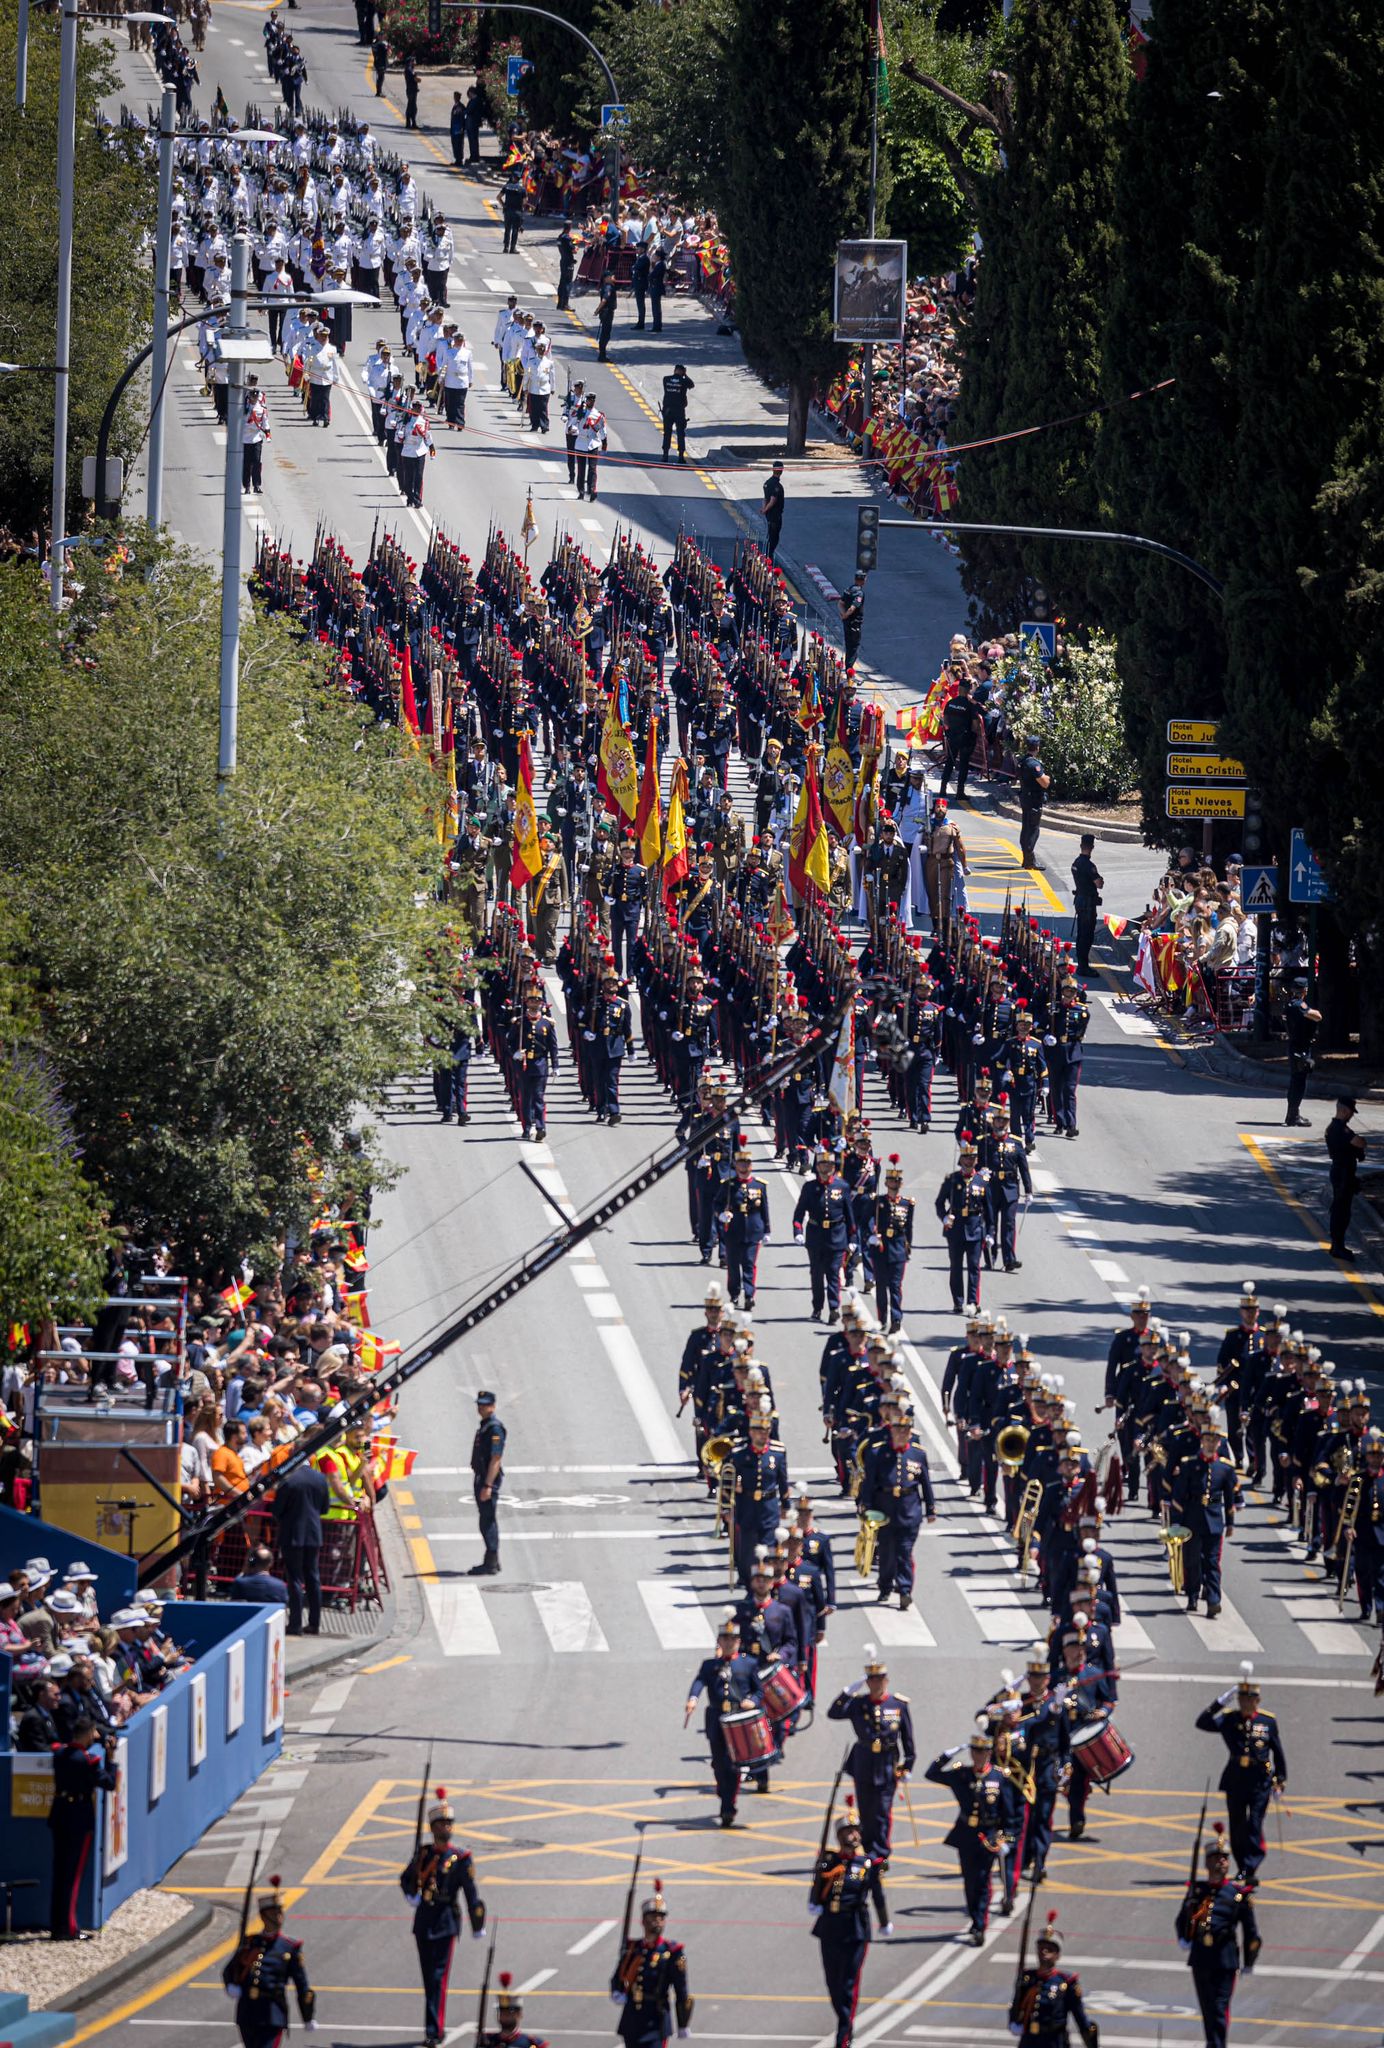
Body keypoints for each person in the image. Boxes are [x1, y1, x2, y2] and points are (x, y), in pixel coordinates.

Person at [400, 1786, 485, 2048]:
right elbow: (406, 1878)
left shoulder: (461, 1858)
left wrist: (476, 1922)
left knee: (438, 1978)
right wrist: (411, 1894)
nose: (447, 1827)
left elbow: (470, 1892)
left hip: (446, 1921)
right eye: (442, 1823)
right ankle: (433, 2027)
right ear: (433, 1827)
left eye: (449, 1823)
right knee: (428, 1978)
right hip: (424, 1920)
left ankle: (434, 2031)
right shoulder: (424, 1854)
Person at [809, 1803, 891, 2048]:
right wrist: (813, 1901)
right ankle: (845, 2022)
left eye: (855, 1831)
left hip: (855, 1927)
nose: (852, 1835)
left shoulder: (868, 1865)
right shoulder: (829, 1860)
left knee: (849, 1983)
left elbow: (878, 1896)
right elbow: (817, 1881)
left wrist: (885, 1921)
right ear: (839, 1836)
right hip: (830, 1926)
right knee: (833, 1983)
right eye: (847, 1831)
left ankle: (844, 2033)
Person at [1195, 1665, 1286, 1882]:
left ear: (1257, 1701)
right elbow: (1202, 1723)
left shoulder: (1267, 1722)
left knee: (1254, 1824)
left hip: (1259, 1781)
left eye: (1250, 1700)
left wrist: (1280, 1781)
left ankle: (1251, 1866)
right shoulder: (1228, 1719)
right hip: (1236, 1779)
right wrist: (1220, 1702)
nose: (1245, 1704)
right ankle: (1243, 1866)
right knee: (1237, 1826)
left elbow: (1277, 1751)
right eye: (1242, 1700)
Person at [924, 1721, 1013, 1945]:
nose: (978, 1756)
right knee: (970, 1881)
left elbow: (1011, 1815)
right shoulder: (961, 1775)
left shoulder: (999, 1778)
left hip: (989, 1834)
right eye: (975, 1752)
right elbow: (931, 1774)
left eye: (983, 1752)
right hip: (966, 1834)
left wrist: (1006, 1839)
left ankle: (978, 1925)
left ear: (989, 1753)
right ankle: (976, 1917)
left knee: (982, 1881)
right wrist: (947, 1754)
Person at [827, 1645, 916, 1863]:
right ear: (867, 1682)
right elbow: (834, 1712)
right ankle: (868, 1850)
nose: (877, 1683)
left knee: (882, 1811)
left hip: (887, 1763)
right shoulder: (859, 1704)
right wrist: (848, 1691)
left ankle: (881, 1854)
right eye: (872, 1680)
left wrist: (907, 1766)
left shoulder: (898, 1705)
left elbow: (908, 1740)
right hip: (864, 1761)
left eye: (881, 1679)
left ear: (886, 1681)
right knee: (866, 1811)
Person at [1175, 1824, 1260, 2048]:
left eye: (1224, 1858)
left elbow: (1251, 1932)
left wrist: (1249, 1961)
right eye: (1216, 1857)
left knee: (1220, 2010)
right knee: (1207, 2010)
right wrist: (1184, 1936)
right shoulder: (1197, 1891)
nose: (1221, 1861)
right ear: (1206, 1862)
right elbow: (1182, 1919)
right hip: (1201, 1958)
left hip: (1225, 1961)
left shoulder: (1237, 1895)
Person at [685, 1610, 763, 1827]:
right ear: (719, 1641)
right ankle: (724, 1792)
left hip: (739, 1719)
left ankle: (728, 1807)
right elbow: (700, 1681)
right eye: (725, 1640)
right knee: (719, 1764)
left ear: (739, 1642)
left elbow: (759, 1691)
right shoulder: (710, 1665)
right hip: (716, 1718)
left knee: (733, 1765)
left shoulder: (748, 1664)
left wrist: (752, 1701)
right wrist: (693, 1698)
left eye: (733, 1640)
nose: (729, 1643)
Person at [222, 1875, 316, 2046]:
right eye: (275, 1913)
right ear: (264, 1916)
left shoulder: (289, 1947)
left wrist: (307, 2016)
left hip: (273, 2014)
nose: (280, 1916)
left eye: (280, 1912)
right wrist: (231, 1985)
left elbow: (302, 1985)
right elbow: (229, 1969)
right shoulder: (251, 1943)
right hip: (248, 2013)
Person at [48, 1718, 118, 1939]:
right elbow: (109, 1783)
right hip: (78, 1818)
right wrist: (111, 1759)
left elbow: (60, 1748)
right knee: (73, 1876)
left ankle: (56, 1925)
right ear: (88, 1734)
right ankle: (68, 1929)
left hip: (59, 1816)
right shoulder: (89, 1760)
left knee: (60, 1874)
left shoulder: (59, 1754)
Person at [610, 1879, 692, 2046]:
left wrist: (683, 2023)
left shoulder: (672, 1952)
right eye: (653, 1916)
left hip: (656, 2020)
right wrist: (617, 1991)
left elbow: (681, 1990)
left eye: (661, 1917)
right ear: (643, 1920)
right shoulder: (633, 1948)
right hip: (632, 2018)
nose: (657, 1921)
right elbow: (618, 1974)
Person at [1008, 1911, 1099, 2047]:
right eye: (1041, 1948)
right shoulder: (1027, 1978)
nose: (1044, 1952)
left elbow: (1080, 2018)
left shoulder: (1066, 1982)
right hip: (1029, 2041)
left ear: (1057, 1955)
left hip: (1054, 2042)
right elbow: (1017, 2004)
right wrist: (1013, 2020)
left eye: (1049, 1949)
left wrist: (1091, 2041)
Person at [272, 1455, 330, 1635]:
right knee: (313, 1578)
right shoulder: (320, 1478)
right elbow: (325, 1508)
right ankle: (314, 1623)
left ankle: (295, 1623)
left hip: (292, 1534)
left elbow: (277, 1510)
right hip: (313, 1534)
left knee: (295, 1579)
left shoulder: (289, 1480)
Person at [794, 1148, 853, 1324]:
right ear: (817, 1166)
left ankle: (834, 1308)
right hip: (815, 1237)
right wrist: (797, 1231)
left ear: (833, 1166)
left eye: (828, 1164)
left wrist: (853, 1239)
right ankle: (817, 1307)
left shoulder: (842, 1186)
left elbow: (849, 1216)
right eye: (821, 1164)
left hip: (837, 1237)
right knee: (817, 1275)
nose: (825, 1168)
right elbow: (799, 1213)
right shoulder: (810, 1187)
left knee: (833, 1274)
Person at [721, 1141, 770, 1311]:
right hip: (733, 1232)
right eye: (741, 1163)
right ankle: (734, 1294)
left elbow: (764, 1209)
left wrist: (767, 1230)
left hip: (753, 1232)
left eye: (747, 1164)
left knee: (749, 1265)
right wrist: (721, 1214)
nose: (744, 1167)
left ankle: (749, 1295)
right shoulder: (728, 1185)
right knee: (734, 1265)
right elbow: (717, 1204)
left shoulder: (759, 1185)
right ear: (735, 1165)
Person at [470, 1390, 506, 1577]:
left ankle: (491, 1562)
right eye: (479, 1404)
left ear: (493, 1406)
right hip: (482, 1477)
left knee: (487, 1520)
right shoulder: (486, 1425)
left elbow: (495, 1458)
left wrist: (488, 1485)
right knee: (485, 1519)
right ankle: (492, 1560)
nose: (481, 1408)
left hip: (487, 1479)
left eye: (484, 1405)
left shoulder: (494, 1429)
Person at [1326, 1093, 1365, 1257]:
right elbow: (1359, 1142)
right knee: (1341, 1212)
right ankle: (1337, 1246)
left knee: (1342, 1210)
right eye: (1350, 1112)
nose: (1350, 1116)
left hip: (1343, 1172)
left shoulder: (1334, 1127)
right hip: (1342, 1173)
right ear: (1343, 1111)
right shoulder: (1339, 1129)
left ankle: (1337, 1244)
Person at [1070, 833, 1103, 975]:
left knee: (1081, 934)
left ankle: (1081, 963)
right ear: (1092, 848)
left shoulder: (1076, 863)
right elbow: (1099, 884)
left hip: (1080, 901)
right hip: (1088, 904)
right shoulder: (1089, 866)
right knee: (1087, 935)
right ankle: (1083, 966)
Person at [1019, 735, 1051, 869]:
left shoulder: (1023, 761)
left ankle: (1027, 859)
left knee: (1026, 828)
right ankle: (1030, 860)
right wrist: (1048, 778)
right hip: (1034, 800)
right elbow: (1044, 783)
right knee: (1033, 830)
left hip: (1026, 797)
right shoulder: (1033, 764)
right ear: (1037, 747)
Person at [661, 363, 694, 464]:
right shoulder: (684, 381)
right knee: (680, 433)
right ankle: (680, 456)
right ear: (682, 371)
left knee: (667, 433)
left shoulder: (665, 379)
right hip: (679, 411)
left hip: (667, 410)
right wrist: (685, 375)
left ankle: (665, 455)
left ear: (674, 370)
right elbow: (692, 385)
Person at [839, 579, 864, 669]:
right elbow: (852, 608)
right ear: (863, 581)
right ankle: (849, 671)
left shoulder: (848, 590)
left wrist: (843, 615)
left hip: (846, 624)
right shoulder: (859, 594)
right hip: (854, 624)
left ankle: (848, 668)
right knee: (853, 648)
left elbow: (840, 603)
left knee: (848, 646)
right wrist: (845, 615)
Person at [762, 462, 785, 561]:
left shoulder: (767, 483)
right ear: (781, 471)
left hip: (769, 514)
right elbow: (773, 499)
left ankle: (768, 555)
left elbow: (765, 498)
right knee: (774, 538)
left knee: (770, 535)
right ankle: (769, 557)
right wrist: (765, 509)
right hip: (775, 514)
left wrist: (764, 508)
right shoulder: (777, 485)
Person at [596, 273, 618, 360]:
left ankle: (602, 354)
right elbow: (604, 300)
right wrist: (597, 310)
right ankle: (602, 355)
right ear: (607, 278)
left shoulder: (609, 286)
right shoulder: (608, 287)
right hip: (607, 313)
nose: (614, 278)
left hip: (607, 312)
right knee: (605, 334)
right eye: (612, 276)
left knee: (606, 334)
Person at [502, 173, 524, 254]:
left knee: (507, 230)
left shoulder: (506, 187)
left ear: (513, 178)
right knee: (515, 230)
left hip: (507, 211)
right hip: (517, 212)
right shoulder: (522, 189)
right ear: (519, 179)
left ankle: (506, 247)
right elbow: (525, 202)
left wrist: (503, 205)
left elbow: (498, 197)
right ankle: (512, 248)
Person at [556, 223, 576, 311]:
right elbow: (573, 250)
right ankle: (565, 304)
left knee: (562, 282)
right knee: (568, 283)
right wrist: (575, 247)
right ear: (570, 227)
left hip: (563, 260)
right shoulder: (567, 238)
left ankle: (560, 303)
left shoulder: (560, 237)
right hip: (568, 262)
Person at [449, 90, 466, 165]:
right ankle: (457, 159)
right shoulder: (456, 105)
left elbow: (461, 118)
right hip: (454, 128)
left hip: (458, 129)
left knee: (458, 144)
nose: (455, 98)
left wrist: (462, 128)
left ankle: (459, 160)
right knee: (455, 144)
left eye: (456, 96)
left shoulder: (460, 107)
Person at [403, 52, 419, 128]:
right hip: (411, 90)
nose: (415, 62)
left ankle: (411, 123)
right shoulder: (409, 70)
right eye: (414, 61)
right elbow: (415, 79)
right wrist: (417, 79)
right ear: (411, 62)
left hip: (412, 90)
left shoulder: (409, 69)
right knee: (412, 107)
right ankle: (410, 123)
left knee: (412, 106)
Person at [371, 30, 388, 95]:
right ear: (378, 36)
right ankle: (378, 92)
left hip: (382, 62)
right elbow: (376, 53)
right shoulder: (377, 44)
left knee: (381, 77)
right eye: (381, 36)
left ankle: (379, 91)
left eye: (383, 36)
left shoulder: (381, 43)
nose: (382, 37)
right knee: (380, 77)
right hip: (379, 63)